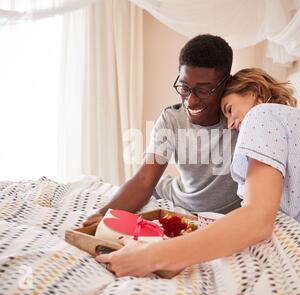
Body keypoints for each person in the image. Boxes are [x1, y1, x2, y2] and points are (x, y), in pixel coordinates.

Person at [95, 68, 300, 277]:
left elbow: (256, 220)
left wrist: (151, 257)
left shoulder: (262, 114)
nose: (232, 125)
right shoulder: (297, 123)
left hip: (298, 258)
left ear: (253, 91)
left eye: (229, 109)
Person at [83, 34, 242, 227]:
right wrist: (104, 214)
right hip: (176, 202)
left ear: (226, 84)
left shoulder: (242, 119)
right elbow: (144, 181)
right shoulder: (172, 119)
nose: (190, 100)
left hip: (225, 215)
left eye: (202, 90)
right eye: (184, 87)